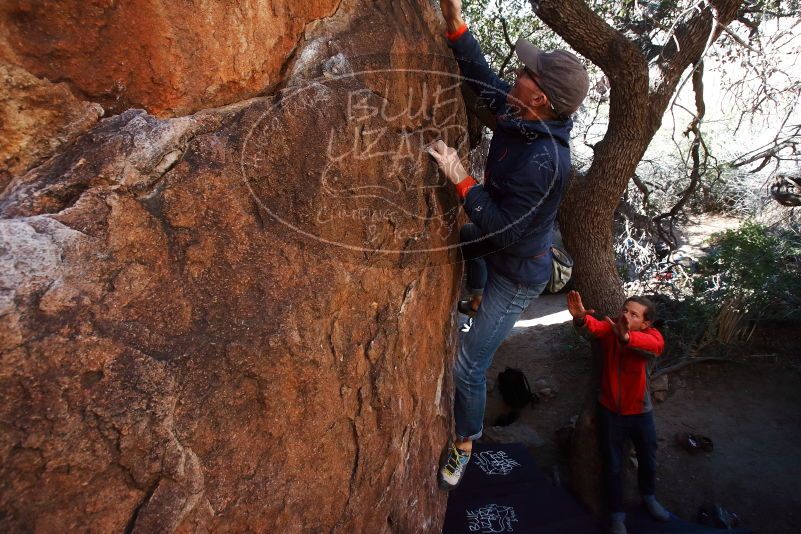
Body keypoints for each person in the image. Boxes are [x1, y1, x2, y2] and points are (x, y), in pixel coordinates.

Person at [426, 0, 589, 490]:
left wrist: (459, 176)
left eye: (525, 72)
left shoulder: (545, 160)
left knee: (468, 363)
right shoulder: (523, 115)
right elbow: (483, 82)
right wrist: (457, 28)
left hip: (517, 271)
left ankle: (466, 441)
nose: (516, 73)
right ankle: (473, 295)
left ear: (540, 99)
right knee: (461, 246)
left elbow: (501, 229)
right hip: (500, 247)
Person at [566, 290, 671, 534]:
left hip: (640, 412)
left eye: (634, 314)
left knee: (648, 457)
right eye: (625, 310)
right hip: (610, 411)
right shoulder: (610, 329)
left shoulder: (651, 336)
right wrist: (581, 318)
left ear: (645, 323)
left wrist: (626, 338)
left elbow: (654, 347)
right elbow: (593, 328)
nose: (625, 316)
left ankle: (649, 497)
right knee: (612, 464)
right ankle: (616, 515)